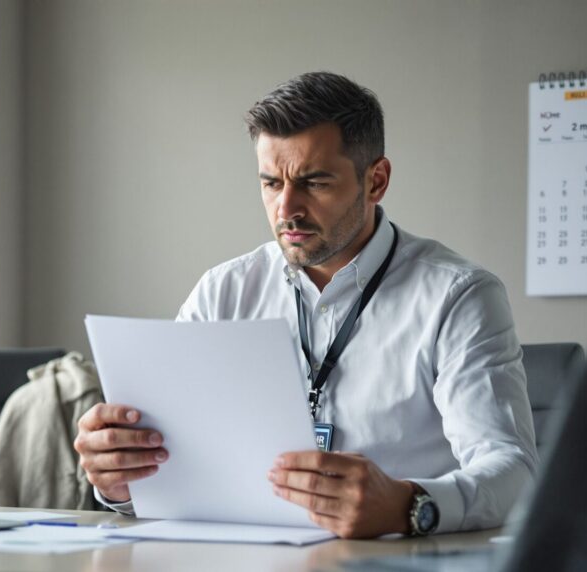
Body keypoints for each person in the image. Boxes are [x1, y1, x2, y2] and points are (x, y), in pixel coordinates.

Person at [72, 72, 538, 539]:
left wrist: (410, 506)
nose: (286, 210)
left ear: (375, 181)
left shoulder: (458, 296)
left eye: (313, 183)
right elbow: (172, 473)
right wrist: (121, 482)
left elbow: (513, 473)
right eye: (271, 183)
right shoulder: (222, 292)